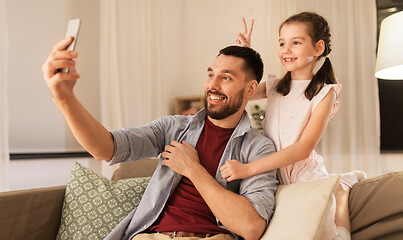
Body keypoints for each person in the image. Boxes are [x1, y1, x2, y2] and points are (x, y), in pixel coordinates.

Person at [42, 39, 278, 240]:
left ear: (250, 90)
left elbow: (251, 227)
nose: (212, 86)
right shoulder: (173, 128)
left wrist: (193, 169)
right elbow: (107, 149)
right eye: (210, 75)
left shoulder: (258, 148)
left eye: (225, 78)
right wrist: (65, 99)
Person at [220, 12, 367, 240]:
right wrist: (246, 57)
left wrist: (248, 169)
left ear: (318, 48)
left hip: (305, 177)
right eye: (282, 43)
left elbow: (303, 149)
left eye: (296, 42)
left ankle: (342, 191)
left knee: (332, 237)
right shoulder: (274, 87)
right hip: (274, 176)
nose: (286, 50)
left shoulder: (324, 94)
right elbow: (242, 92)